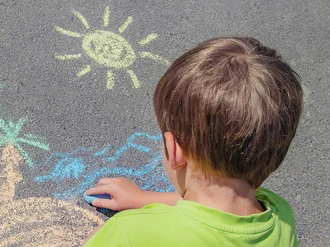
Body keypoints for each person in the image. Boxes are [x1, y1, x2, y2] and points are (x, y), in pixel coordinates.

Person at [83, 36, 302, 246]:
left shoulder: (130, 233)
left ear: (174, 150)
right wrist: (144, 199)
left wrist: (102, 237)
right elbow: (214, 214)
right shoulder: (281, 217)